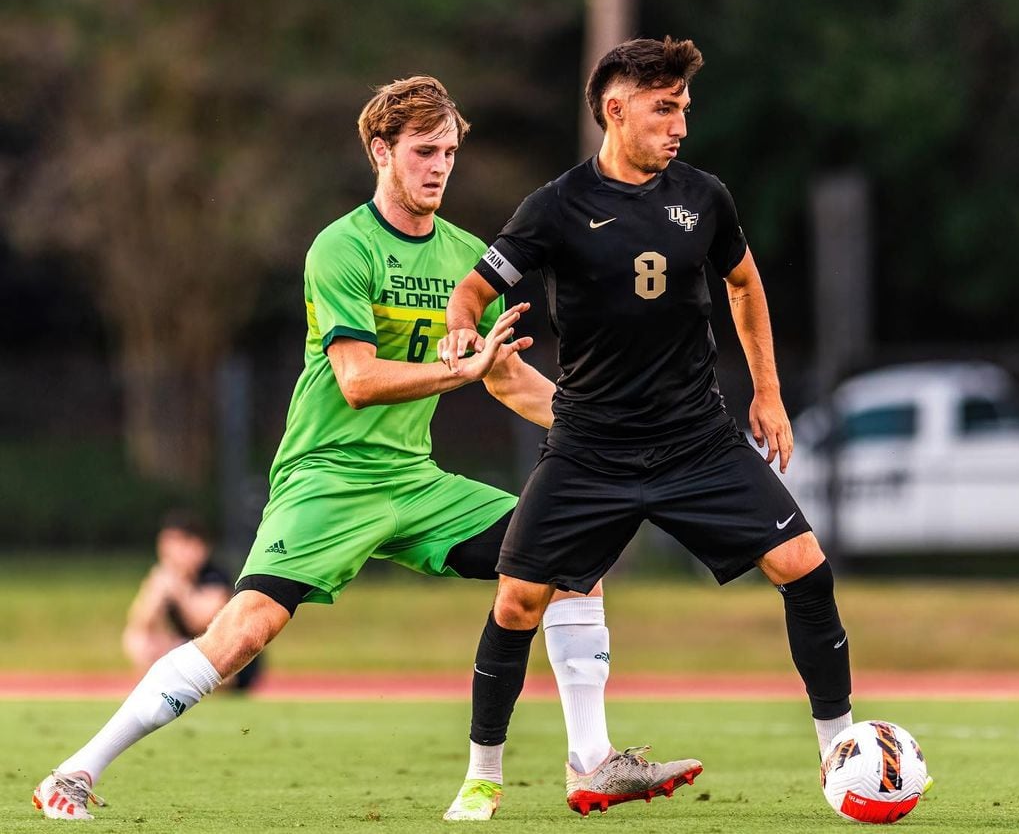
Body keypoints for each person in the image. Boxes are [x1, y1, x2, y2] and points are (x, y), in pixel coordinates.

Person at [32, 76, 693, 823]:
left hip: (415, 482)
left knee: (574, 558)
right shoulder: (341, 247)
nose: (438, 166)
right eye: (421, 151)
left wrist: (624, 430)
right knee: (242, 632)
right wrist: (458, 368)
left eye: (448, 152)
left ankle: (592, 762)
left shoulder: (468, 258)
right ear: (381, 151)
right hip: (327, 478)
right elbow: (355, 379)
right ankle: (75, 771)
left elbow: (511, 383)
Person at [440, 36, 854, 816]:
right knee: (517, 602)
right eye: (665, 109)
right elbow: (470, 290)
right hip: (590, 446)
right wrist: (465, 330)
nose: (680, 127)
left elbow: (744, 282)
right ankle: (483, 772)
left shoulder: (704, 197)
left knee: (805, 565)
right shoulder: (556, 206)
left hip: (696, 439)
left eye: (685, 110)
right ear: (615, 108)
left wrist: (767, 392)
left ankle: (842, 750)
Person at [122, 510, 261, 691]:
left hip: (228, 661)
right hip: (188, 647)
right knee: (138, 639)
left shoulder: (214, 575)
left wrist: (180, 590)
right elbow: (141, 624)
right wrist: (155, 593)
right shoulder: (166, 577)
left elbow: (202, 621)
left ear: (197, 546)